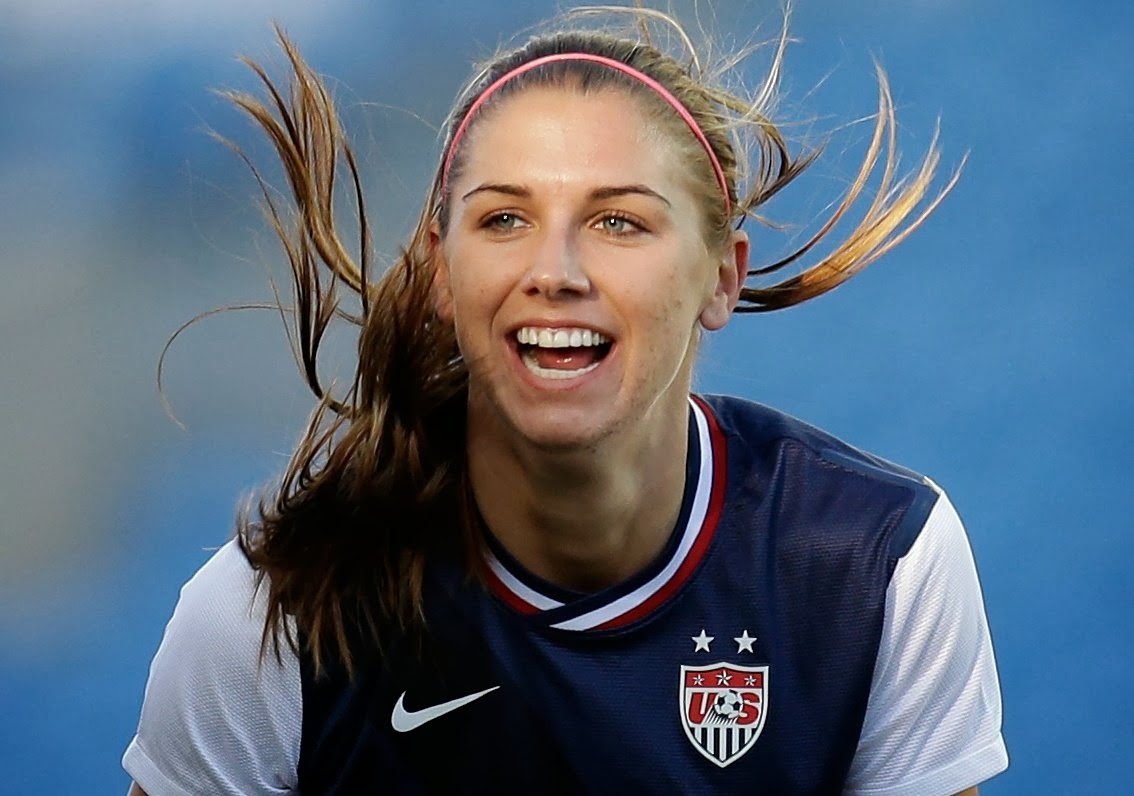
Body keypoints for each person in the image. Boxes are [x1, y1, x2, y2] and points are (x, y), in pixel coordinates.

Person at [124, 4, 1007, 794]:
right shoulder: (272, 613)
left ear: (721, 279)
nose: (554, 272)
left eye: (618, 220)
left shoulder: (875, 567)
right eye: (504, 218)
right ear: (440, 270)